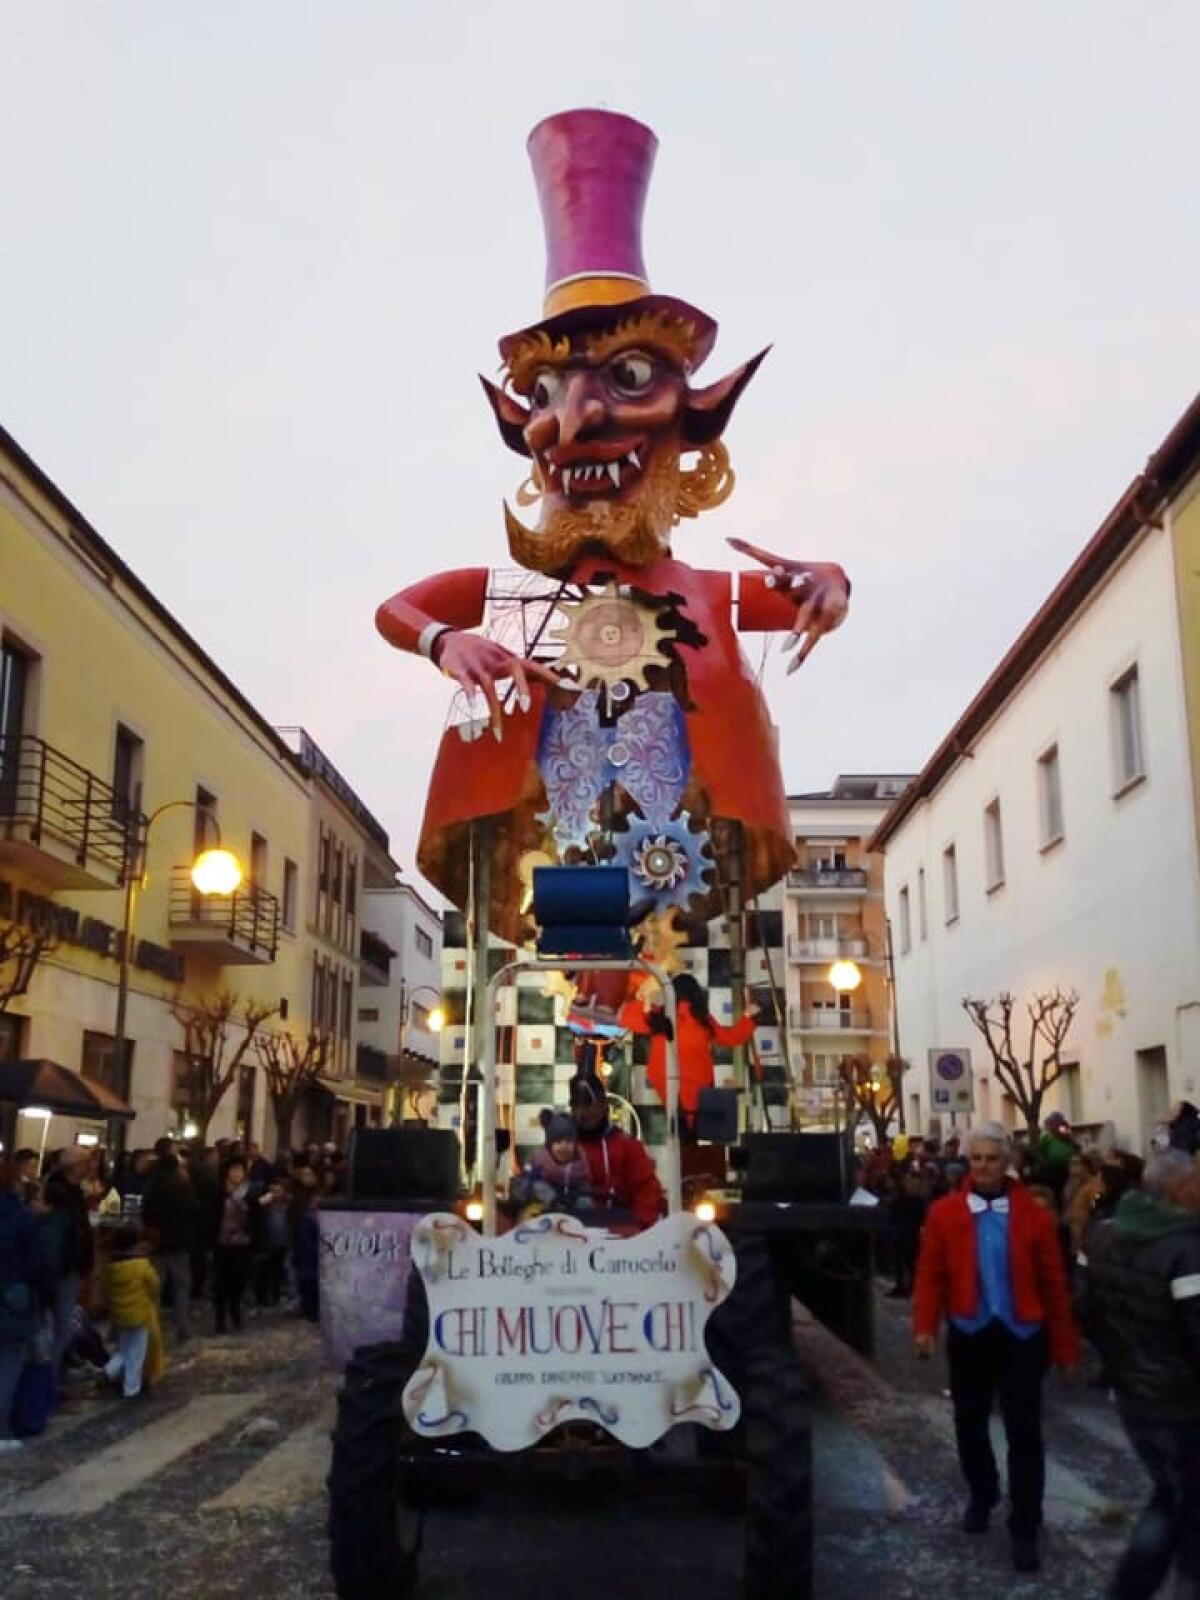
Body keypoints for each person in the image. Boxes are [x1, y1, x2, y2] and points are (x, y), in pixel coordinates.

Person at [913, 1121, 1080, 1574]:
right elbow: (931, 1274)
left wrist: (1065, 1350)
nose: (984, 1166)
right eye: (977, 1159)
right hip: (971, 1331)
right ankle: (983, 1492)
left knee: (1025, 1432)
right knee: (969, 1422)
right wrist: (925, 1325)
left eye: (992, 1158)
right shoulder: (945, 1213)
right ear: (969, 1163)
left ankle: (1025, 1525)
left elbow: (1054, 1286)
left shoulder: (1033, 1216)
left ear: (1007, 1163)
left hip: (1023, 1333)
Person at [1076, 1149, 1200, 1598]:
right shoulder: (1187, 1247)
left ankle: (1130, 1588)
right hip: (1183, 1401)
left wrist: (1119, 1358)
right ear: (1176, 1189)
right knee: (1187, 1502)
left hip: (1132, 1395)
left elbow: (1084, 1308)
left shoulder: (1103, 1234)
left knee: (1171, 1494)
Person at [619, 973, 757, 1134]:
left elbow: (626, 1018)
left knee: (678, 1140)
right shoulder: (703, 1020)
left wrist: (644, 999)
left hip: (669, 1089)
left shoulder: (659, 1018)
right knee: (694, 1143)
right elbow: (732, 1038)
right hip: (699, 1093)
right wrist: (748, 1017)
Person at [567, 1070, 664, 1230]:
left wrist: (637, 1227)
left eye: (588, 1104)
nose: (581, 1112)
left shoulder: (627, 1147)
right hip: (570, 1234)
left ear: (603, 1105)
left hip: (620, 1234)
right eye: (576, 1105)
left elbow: (648, 1193)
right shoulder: (562, 1148)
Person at [0, 1154, 49, 1452]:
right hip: (13, 1293)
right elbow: (36, 1261)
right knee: (7, 1365)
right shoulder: (21, 1217)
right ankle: (1, 1430)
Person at [41, 1149, 95, 1371]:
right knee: (59, 1326)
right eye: (86, 1163)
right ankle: (49, 1380)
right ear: (74, 1167)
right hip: (63, 1267)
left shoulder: (70, 1191)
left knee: (60, 1325)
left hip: (69, 1264)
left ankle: (54, 1374)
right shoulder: (59, 1194)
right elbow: (59, 1234)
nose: (90, 1167)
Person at [99, 1224, 164, 1399]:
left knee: (124, 1348)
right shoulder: (142, 1266)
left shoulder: (110, 1267)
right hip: (140, 1314)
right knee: (136, 1353)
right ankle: (131, 1388)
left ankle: (109, 1370)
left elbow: (104, 1289)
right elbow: (155, 1285)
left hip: (119, 1316)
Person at [141, 1151, 199, 1343]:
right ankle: (182, 1326)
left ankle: (153, 1326)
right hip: (180, 1242)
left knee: (156, 1285)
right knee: (181, 1285)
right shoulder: (184, 1184)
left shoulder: (154, 1184)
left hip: (158, 1242)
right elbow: (193, 1209)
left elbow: (146, 1210)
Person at [512, 1111, 594, 1215]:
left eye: (568, 1142)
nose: (563, 1146)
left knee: (585, 1200)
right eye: (558, 1142)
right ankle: (555, 1204)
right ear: (550, 1145)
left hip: (574, 1214)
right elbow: (521, 1191)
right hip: (544, 1214)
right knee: (539, 1187)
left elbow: (587, 1186)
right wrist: (529, 1183)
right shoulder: (539, 1163)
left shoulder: (581, 1166)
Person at [212, 1159, 252, 1335]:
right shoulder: (219, 1192)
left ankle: (235, 1311)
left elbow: (255, 1217)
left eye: (240, 1171)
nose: (237, 1174)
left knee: (240, 1280)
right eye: (234, 1170)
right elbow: (210, 1215)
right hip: (223, 1242)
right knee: (222, 1282)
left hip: (243, 1242)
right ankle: (220, 1318)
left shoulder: (249, 1192)